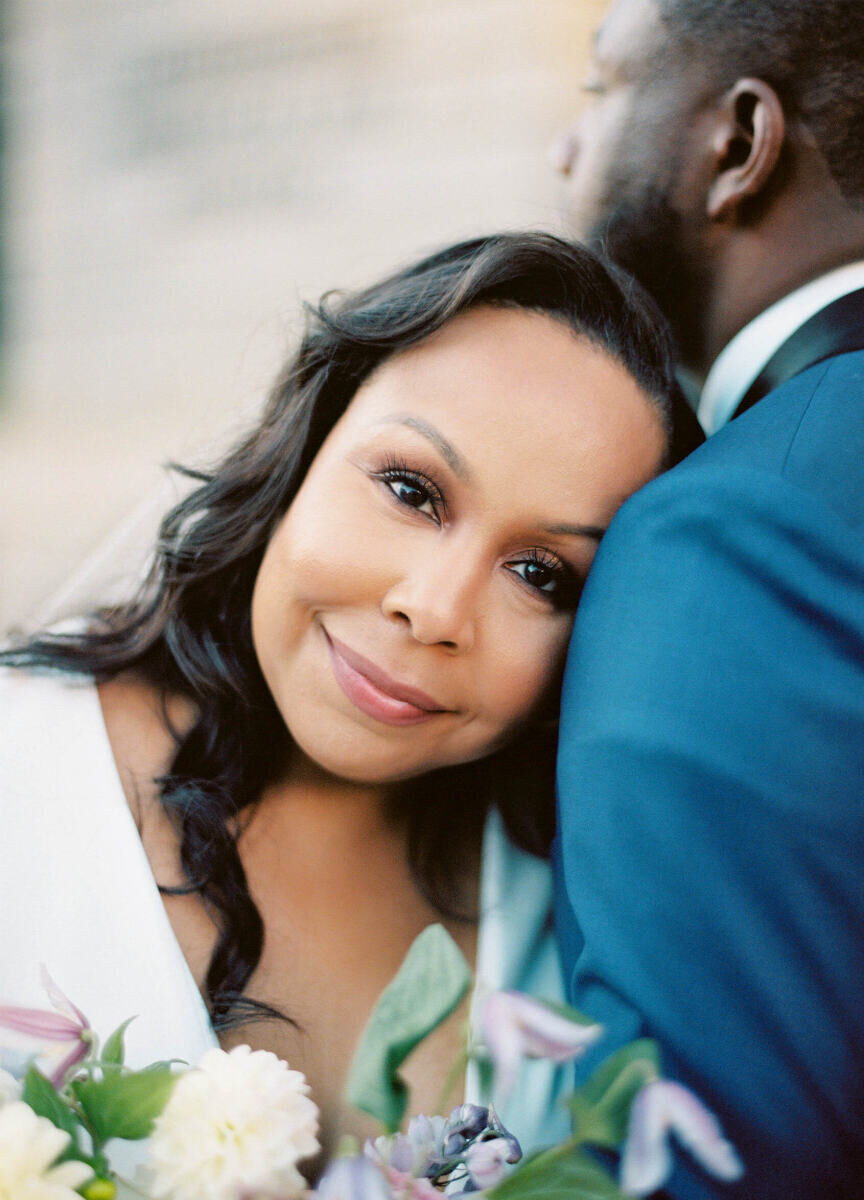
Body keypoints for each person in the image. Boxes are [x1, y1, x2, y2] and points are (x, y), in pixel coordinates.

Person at [0, 232, 702, 1177]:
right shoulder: (21, 762)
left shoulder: (557, 936)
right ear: (304, 448)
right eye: (412, 490)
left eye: (540, 573)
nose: (435, 609)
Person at [552, 2, 864, 1196]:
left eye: (602, 86)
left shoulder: (740, 531)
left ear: (737, 143)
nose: (564, 150)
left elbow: (709, 1159)